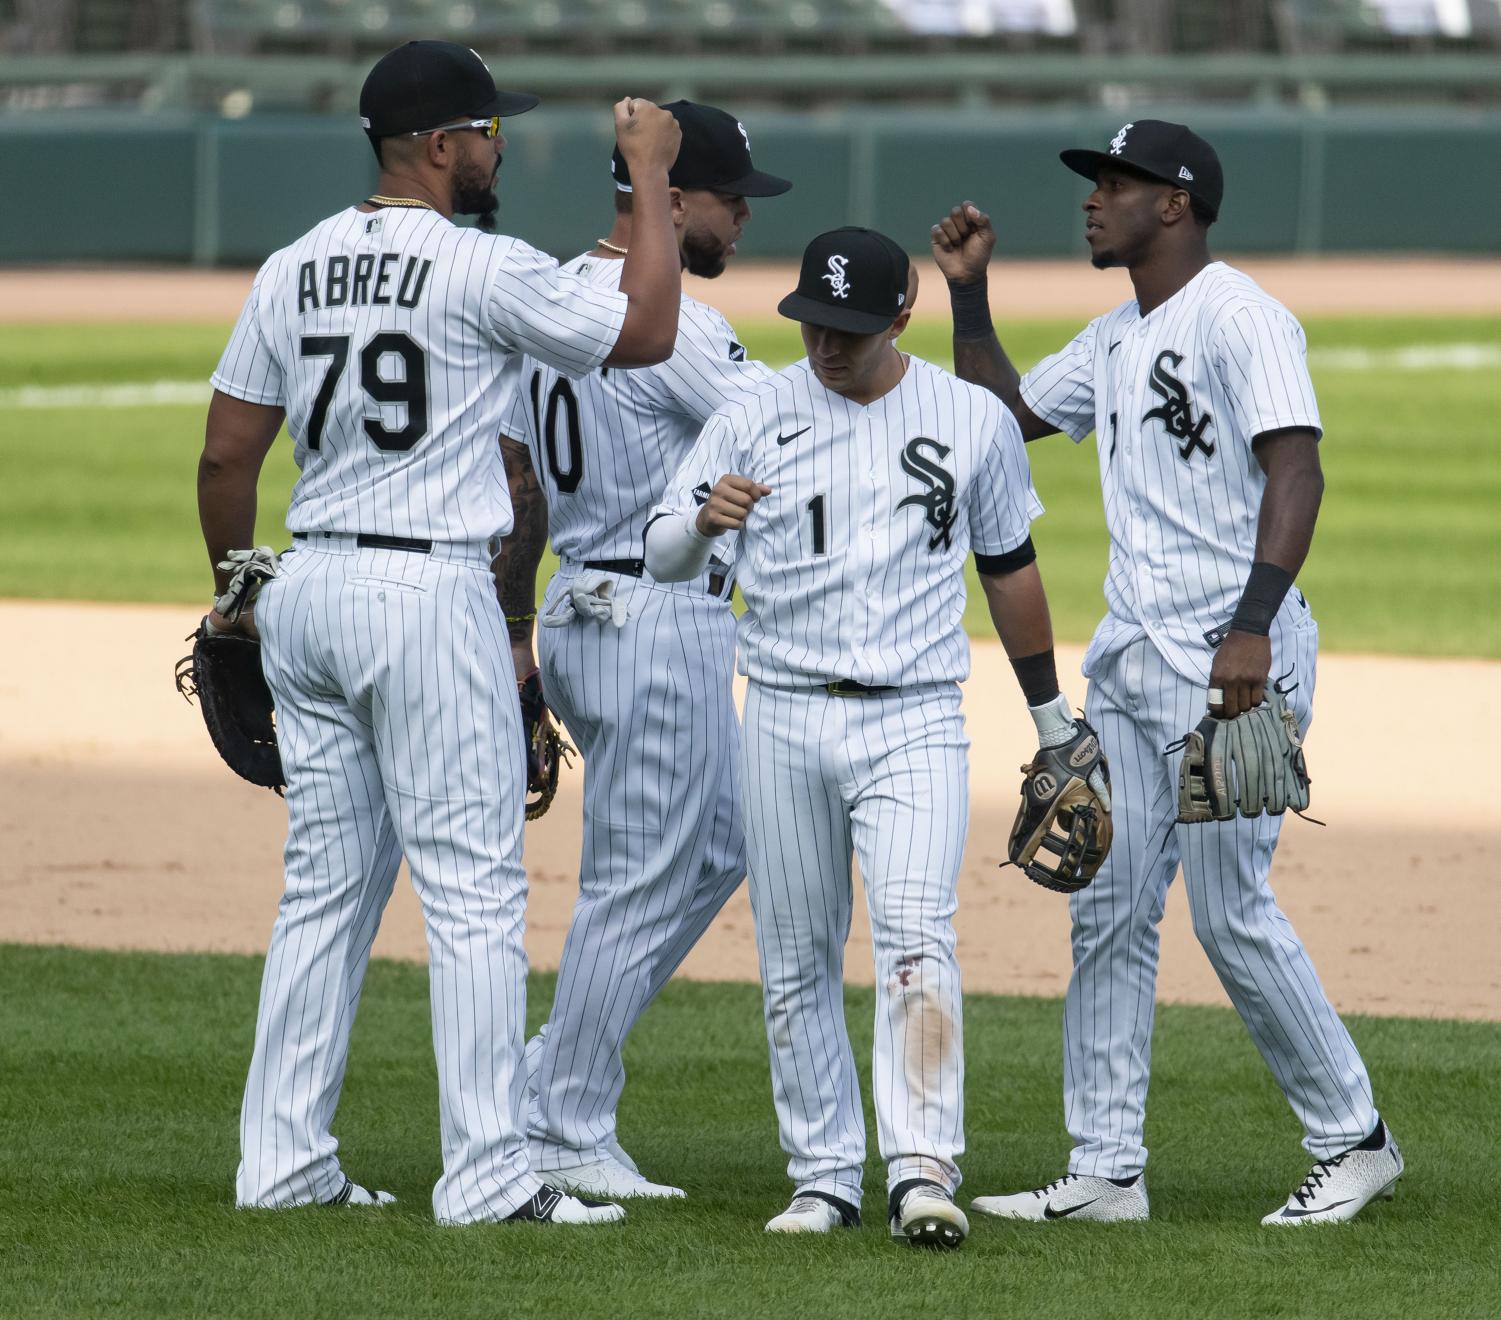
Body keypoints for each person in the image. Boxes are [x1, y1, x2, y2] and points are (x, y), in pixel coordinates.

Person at [197, 38, 685, 1226]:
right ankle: (487, 1177)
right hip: (426, 596)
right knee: (472, 894)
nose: (496, 146)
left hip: (308, 587)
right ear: (437, 146)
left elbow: (224, 455)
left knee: (323, 894)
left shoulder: (292, 265)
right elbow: (647, 332)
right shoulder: (477, 266)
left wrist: (236, 593)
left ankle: (282, 1163)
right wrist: (653, 177)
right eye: (485, 130)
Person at [931, 119, 1402, 1226]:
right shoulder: (1111, 337)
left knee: (1229, 910)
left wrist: (1251, 626)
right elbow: (1001, 418)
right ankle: (1105, 1167)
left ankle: (1354, 1138)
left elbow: (1298, 466)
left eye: (1116, 182)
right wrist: (966, 295)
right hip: (1138, 662)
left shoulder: (1240, 317)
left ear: (1176, 203)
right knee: (1105, 903)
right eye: (1096, 182)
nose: (1093, 199)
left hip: (1236, 663)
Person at [644, 227, 1104, 1248]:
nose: (827, 345)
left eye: (850, 329)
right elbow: (661, 552)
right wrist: (702, 524)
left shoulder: (967, 416)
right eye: (813, 323)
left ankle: (922, 1168)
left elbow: (1008, 564)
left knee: (913, 937)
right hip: (784, 707)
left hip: (914, 717)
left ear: (902, 316)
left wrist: (1051, 722)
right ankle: (820, 1178)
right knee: (797, 952)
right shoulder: (752, 411)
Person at [491, 100, 791, 1199]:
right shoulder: (672, 325)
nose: (743, 225)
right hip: (653, 612)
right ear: (671, 197)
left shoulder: (554, 301)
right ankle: (562, 1118)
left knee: (717, 847)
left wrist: (520, 633)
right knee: (635, 882)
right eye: (729, 202)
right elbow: (790, 433)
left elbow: (516, 484)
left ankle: (554, 1073)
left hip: (584, 602)